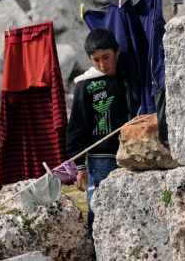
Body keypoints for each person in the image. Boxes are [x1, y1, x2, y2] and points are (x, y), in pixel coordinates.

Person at [66, 28, 131, 236]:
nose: (103, 64)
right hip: (100, 159)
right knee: (98, 212)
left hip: (131, 156)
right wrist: (79, 164)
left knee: (128, 210)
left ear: (117, 52)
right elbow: (77, 125)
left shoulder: (129, 78)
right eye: (96, 60)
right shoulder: (86, 86)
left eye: (106, 57)